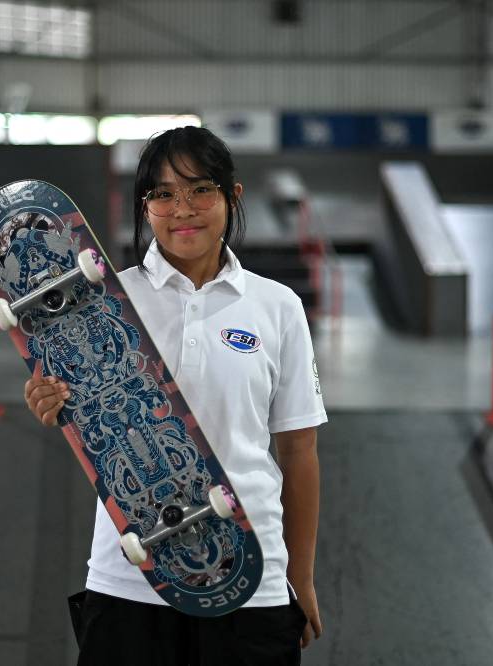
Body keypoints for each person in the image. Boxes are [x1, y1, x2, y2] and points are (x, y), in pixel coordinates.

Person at [23, 126, 326, 665]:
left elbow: (299, 452)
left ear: (232, 197)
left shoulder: (277, 307)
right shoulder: (105, 303)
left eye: (200, 190)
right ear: (146, 207)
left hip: (251, 577)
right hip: (129, 578)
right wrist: (52, 401)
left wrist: (298, 578)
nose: (182, 209)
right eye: (163, 194)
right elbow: (85, 416)